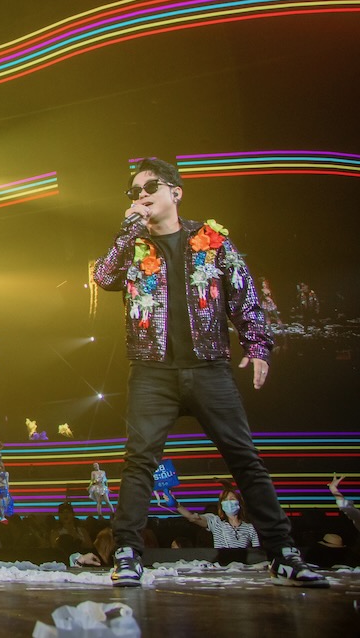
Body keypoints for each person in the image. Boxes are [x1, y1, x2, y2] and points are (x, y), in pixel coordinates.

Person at [93, 157, 326, 588]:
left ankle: (282, 553)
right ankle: (126, 553)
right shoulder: (134, 244)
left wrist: (258, 347)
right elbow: (104, 277)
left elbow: (245, 297)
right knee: (139, 462)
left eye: (150, 187)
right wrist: (128, 229)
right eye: (134, 192)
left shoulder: (212, 241)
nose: (141, 196)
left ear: (176, 192)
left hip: (209, 368)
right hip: (152, 371)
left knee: (244, 459)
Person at [175, 484, 259, 549]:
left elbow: (257, 553)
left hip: (241, 565)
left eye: (232, 499)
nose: (229, 502)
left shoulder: (250, 528)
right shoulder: (216, 522)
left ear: (239, 503)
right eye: (225, 500)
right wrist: (176, 505)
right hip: (222, 564)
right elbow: (191, 518)